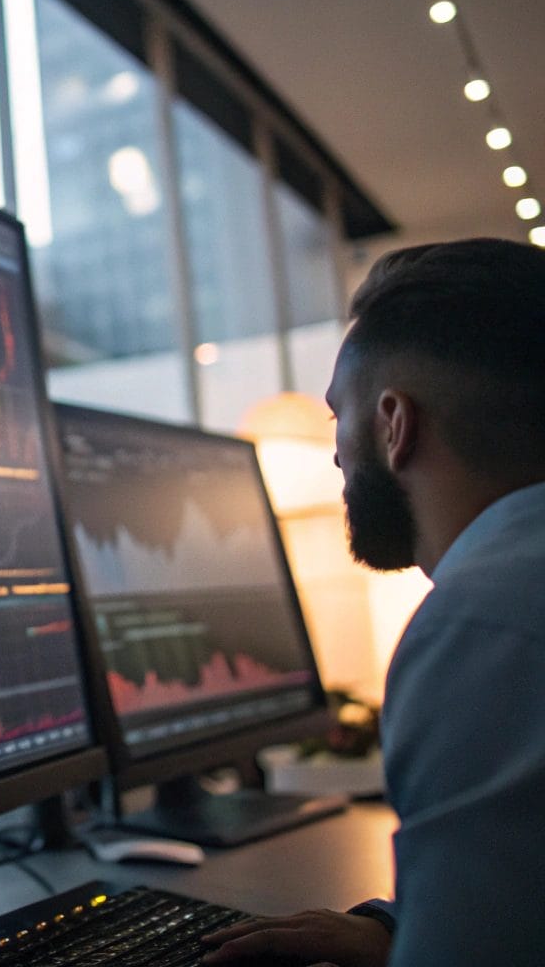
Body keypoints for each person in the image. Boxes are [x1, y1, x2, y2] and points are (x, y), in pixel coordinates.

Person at [201, 237, 545, 966]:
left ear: (394, 423)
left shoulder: (481, 627)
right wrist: (398, 930)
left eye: (337, 419)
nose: (334, 454)